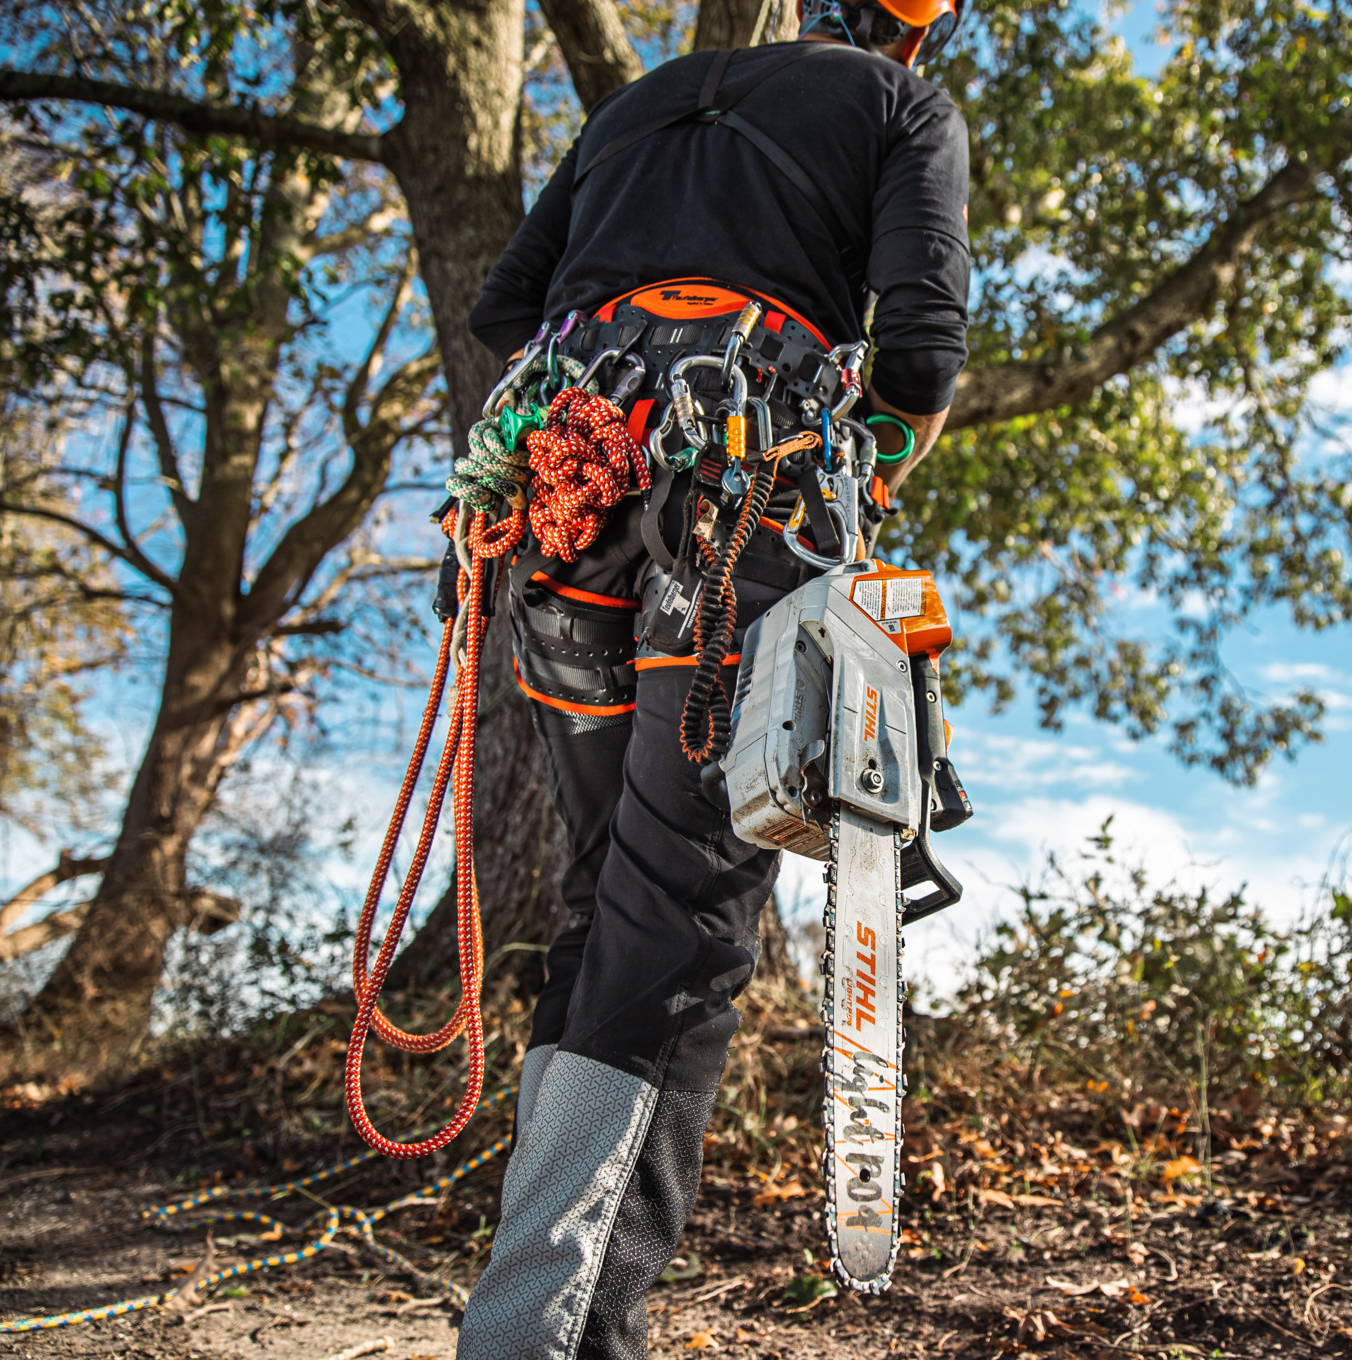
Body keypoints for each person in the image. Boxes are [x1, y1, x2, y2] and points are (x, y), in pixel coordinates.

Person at [450, 0, 971, 1353]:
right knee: (675, 936)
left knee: (604, 903)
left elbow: (507, 307)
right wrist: (857, 481)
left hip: (574, 512)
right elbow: (918, 349)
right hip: (737, 509)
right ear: (916, 29)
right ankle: (544, 1337)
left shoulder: (642, 100)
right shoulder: (900, 105)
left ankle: (538, 1314)